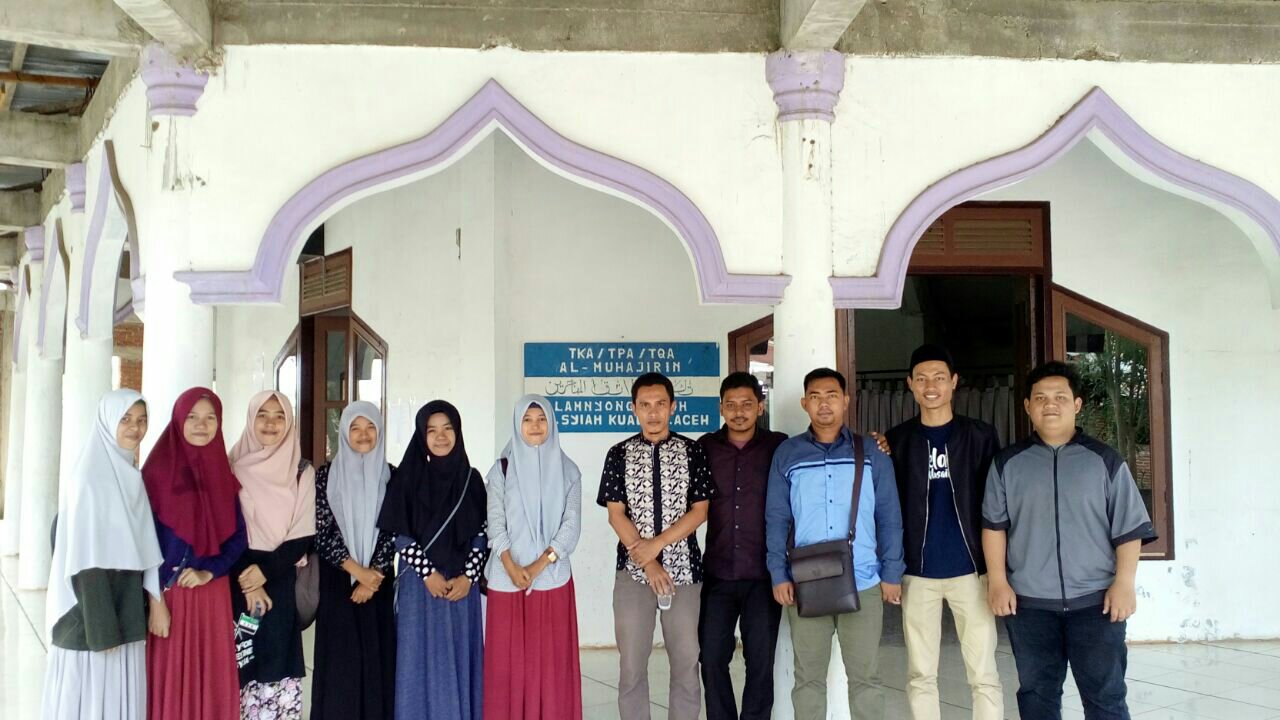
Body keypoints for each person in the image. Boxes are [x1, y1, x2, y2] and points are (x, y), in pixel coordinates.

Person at [982, 361, 1156, 720]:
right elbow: (994, 527)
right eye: (1040, 397)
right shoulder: (1007, 464)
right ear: (1027, 406)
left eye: (1060, 397)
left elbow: (1128, 530)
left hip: (1097, 603)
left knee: (1105, 698)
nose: (1050, 404)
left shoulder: (1105, 461)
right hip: (1030, 606)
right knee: (1037, 696)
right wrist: (997, 581)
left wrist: (1124, 583)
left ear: (1076, 404)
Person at [765, 368, 905, 720]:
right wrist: (778, 574)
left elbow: (889, 514)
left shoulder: (871, 450)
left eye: (831, 395)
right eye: (815, 396)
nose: (823, 404)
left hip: (864, 580)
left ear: (845, 400)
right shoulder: (788, 453)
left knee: (866, 679)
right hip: (805, 582)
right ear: (804, 403)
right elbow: (777, 518)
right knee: (807, 680)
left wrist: (892, 572)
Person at [881, 345, 1003, 720]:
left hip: (971, 571)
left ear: (953, 382)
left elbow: (997, 506)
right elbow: (888, 510)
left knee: (983, 672)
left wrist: (998, 572)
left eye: (938, 378)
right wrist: (892, 569)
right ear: (910, 385)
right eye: (921, 379)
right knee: (920, 674)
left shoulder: (980, 436)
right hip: (918, 573)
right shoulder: (897, 440)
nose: (930, 386)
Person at [597, 372, 713, 720]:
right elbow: (615, 514)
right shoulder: (619, 454)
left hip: (684, 573)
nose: (653, 412)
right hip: (633, 574)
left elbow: (700, 511)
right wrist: (648, 561)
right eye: (645, 405)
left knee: (686, 662)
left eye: (660, 404)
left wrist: (658, 546)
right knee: (632, 665)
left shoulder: (692, 451)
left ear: (672, 407)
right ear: (633, 409)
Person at [41, 390, 164, 720]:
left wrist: (152, 602)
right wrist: (102, 629)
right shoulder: (89, 480)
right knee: (92, 703)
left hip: (124, 611)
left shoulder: (129, 476)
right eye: (125, 419)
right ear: (107, 422)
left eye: (142, 420)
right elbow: (85, 561)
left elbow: (144, 550)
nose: (135, 428)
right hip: (92, 622)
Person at [377, 400, 489, 720]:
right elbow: (399, 534)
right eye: (432, 430)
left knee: (459, 657)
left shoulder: (471, 479)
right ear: (421, 436)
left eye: (447, 429)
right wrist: (428, 573)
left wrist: (468, 577)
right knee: (419, 660)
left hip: (460, 588)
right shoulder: (407, 478)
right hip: (420, 587)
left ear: (458, 432)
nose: (441, 437)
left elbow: (481, 533)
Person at [144, 387, 248, 720]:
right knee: (173, 681)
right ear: (178, 420)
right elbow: (143, 545)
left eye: (210, 418)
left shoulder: (223, 476)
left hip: (212, 593)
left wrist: (210, 571)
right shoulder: (155, 475)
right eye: (192, 417)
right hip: (170, 597)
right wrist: (155, 601)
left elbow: (238, 539)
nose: (201, 425)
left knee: (210, 680)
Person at [483, 394, 584, 720]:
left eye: (541, 419)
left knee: (550, 667)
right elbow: (495, 523)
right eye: (527, 419)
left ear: (551, 423)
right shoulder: (501, 470)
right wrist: (511, 566)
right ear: (517, 425)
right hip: (506, 580)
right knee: (508, 668)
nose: (535, 426)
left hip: (552, 580)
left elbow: (571, 527)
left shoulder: (569, 471)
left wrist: (539, 564)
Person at [696, 372, 787, 720]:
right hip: (717, 573)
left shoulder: (779, 446)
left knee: (760, 663)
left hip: (762, 575)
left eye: (747, 404)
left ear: (760, 407)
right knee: (711, 658)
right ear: (720, 408)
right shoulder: (705, 447)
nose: (738, 412)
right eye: (731, 405)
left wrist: (876, 443)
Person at [228, 391, 317, 719]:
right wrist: (250, 582)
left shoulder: (301, 471)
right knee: (240, 664)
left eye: (279, 416)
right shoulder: (230, 467)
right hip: (238, 578)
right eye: (262, 415)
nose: (270, 423)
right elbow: (224, 529)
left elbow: (303, 534)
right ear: (251, 419)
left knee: (278, 667)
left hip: (280, 582)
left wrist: (264, 575)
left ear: (289, 422)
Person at [312, 401, 398, 720]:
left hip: (379, 582)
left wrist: (373, 574)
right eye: (355, 428)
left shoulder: (393, 476)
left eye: (370, 427)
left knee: (377, 662)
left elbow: (395, 529)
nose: (363, 435)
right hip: (338, 582)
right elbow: (321, 530)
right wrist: (357, 571)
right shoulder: (325, 476)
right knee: (341, 667)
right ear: (345, 434)